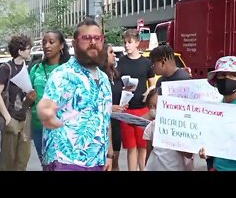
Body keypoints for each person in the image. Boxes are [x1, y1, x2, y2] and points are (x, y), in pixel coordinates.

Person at [37, 17, 113, 171]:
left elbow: (105, 118)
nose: (93, 42)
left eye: (97, 38)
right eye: (86, 38)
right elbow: (46, 109)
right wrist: (46, 113)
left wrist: (109, 154)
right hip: (65, 161)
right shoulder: (62, 75)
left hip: (97, 160)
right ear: (75, 43)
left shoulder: (104, 79)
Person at [198, 56, 236, 171]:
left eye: (232, 75)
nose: (226, 78)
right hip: (219, 167)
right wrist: (208, 151)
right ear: (216, 81)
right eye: (221, 75)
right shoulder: (218, 107)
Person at [29, 30, 70, 165]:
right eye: (44, 42)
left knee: (61, 165)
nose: (47, 46)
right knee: (46, 164)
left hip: (62, 126)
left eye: (51, 42)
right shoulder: (36, 69)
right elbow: (27, 100)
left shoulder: (69, 70)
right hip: (38, 126)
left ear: (61, 45)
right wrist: (28, 99)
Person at [0, 34, 34, 171]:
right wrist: (7, 118)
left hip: (25, 117)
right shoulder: (5, 69)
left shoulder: (26, 68)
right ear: (20, 51)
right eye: (28, 48)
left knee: (23, 158)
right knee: (8, 160)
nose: (30, 51)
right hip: (11, 117)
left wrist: (29, 98)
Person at [117, 29, 155, 171]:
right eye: (125, 42)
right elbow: (117, 83)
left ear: (137, 43)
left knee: (143, 146)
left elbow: (152, 84)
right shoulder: (121, 62)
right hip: (127, 108)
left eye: (129, 42)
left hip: (143, 108)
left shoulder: (146, 62)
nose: (126, 45)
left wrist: (148, 92)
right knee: (131, 147)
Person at [99, 43, 125, 171]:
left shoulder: (116, 75)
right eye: (111, 52)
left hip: (116, 123)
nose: (114, 54)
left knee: (115, 161)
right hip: (102, 125)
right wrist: (110, 108)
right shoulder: (98, 76)